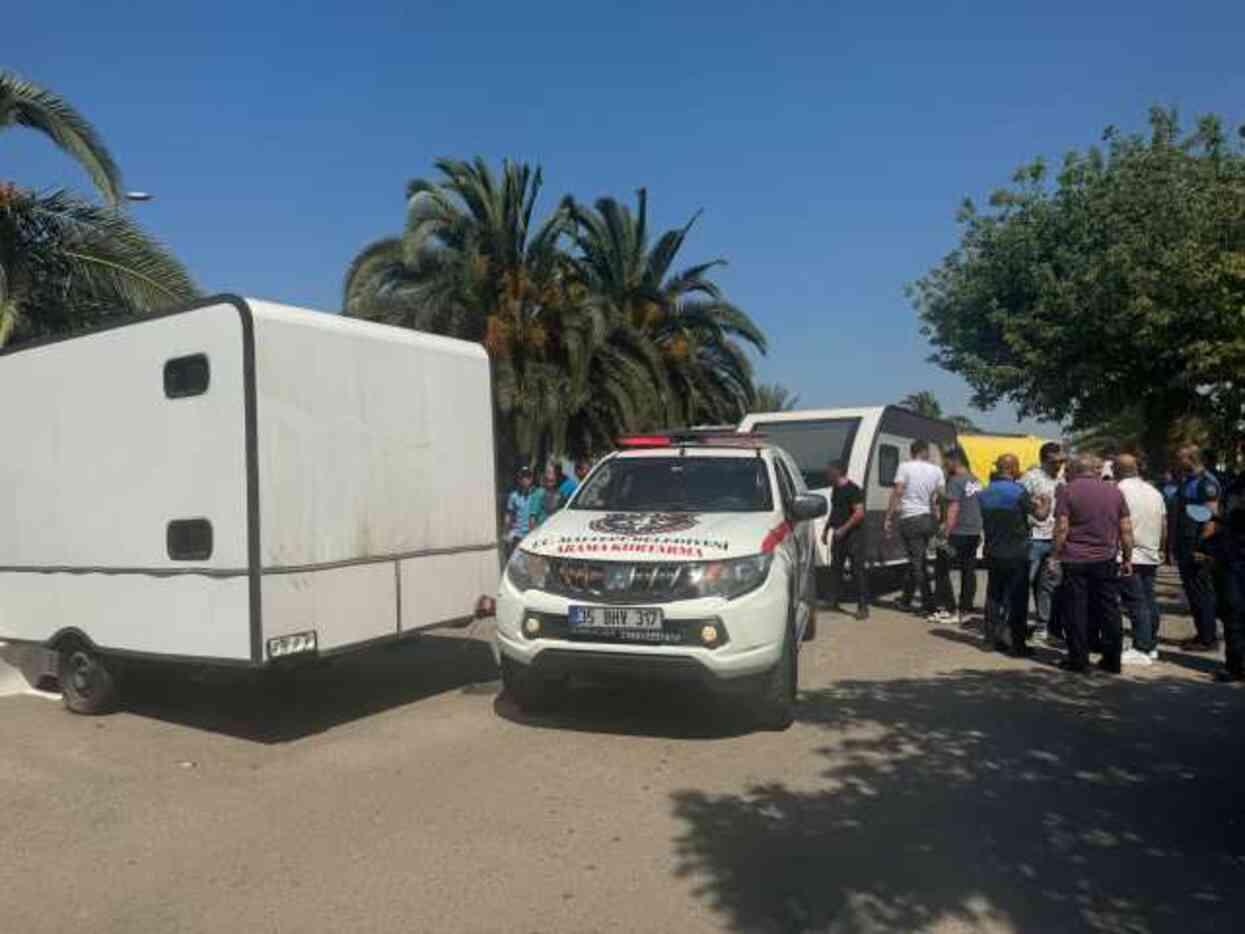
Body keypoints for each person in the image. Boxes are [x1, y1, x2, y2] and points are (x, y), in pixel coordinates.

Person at [1054, 454, 1134, 675]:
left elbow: (1062, 527)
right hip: (1105, 558)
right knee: (1109, 609)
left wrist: (1055, 554)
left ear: (1076, 469)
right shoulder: (1115, 492)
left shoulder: (1067, 491)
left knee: (1076, 609)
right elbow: (1126, 529)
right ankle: (1112, 660)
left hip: (1074, 559)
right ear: (1096, 470)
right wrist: (1127, 557)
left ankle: (1078, 660)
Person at [979, 454, 1042, 655]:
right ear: (1013, 468)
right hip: (1017, 552)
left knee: (993, 596)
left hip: (993, 550)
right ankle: (1017, 645)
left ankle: (989, 640)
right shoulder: (1018, 491)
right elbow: (1039, 515)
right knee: (1017, 599)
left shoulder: (985, 492)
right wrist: (1046, 502)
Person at [1115, 455, 1166, 666]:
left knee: (1135, 602)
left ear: (1117, 469)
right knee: (1148, 600)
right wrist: (1161, 549)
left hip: (1129, 554)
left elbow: (1118, 523)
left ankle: (1141, 648)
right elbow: (1164, 524)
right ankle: (1151, 645)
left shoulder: (1119, 490)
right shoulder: (1154, 492)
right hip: (1150, 553)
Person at [884, 439, 945, 614]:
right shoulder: (936, 470)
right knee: (917, 559)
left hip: (910, 518)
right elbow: (941, 496)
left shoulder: (905, 467)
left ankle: (929, 604)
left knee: (918, 562)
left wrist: (888, 517)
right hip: (929, 519)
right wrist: (941, 519)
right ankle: (906, 599)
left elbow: (898, 491)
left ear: (912, 452)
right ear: (926, 452)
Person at [1171, 445, 1222, 652]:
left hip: (1197, 547)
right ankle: (1202, 634)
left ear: (1190, 459)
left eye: (1179, 458)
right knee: (1193, 593)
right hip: (1185, 545)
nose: (1176, 461)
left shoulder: (1207, 482)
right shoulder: (1189, 481)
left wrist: (1203, 548)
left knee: (1202, 593)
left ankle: (1208, 639)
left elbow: (1211, 519)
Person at [930, 446, 983, 625]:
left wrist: (945, 534)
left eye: (946, 462)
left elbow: (953, 508)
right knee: (968, 570)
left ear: (954, 460)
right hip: (974, 532)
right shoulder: (975, 480)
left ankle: (949, 609)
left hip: (957, 533)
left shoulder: (955, 480)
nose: (945, 466)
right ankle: (965, 609)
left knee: (941, 567)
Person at [1021, 442, 1066, 641]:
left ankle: (1045, 626)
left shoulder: (1063, 479)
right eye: (1054, 462)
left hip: (1055, 540)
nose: (1058, 465)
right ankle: (1016, 626)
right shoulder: (1030, 479)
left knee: (1050, 586)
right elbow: (1020, 505)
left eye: (1061, 461)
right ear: (1043, 460)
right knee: (1025, 583)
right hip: (1034, 539)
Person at [1197, 506, 1245, 683]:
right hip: (1232, 576)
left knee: (1233, 622)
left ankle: (1235, 668)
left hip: (1232, 580)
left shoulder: (1221, 539)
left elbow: (1206, 541)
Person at [821, 459, 869, 620]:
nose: (827, 473)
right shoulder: (836, 489)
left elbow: (859, 513)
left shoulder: (853, 489)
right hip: (838, 534)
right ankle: (833, 601)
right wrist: (826, 529)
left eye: (829, 470)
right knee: (836, 569)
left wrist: (844, 529)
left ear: (838, 471)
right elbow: (835, 511)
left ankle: (863, 607)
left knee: (857, 571)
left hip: (853, 536)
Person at [504, 466, 540, 556]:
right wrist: (506, 532)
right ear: (519, 479)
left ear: (531, 479)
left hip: (530, 535)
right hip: (517, 535)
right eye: (523, 477)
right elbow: (509, 515)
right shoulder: (513, 496)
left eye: (528, 477)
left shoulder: (536, 495)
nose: (525, 479)